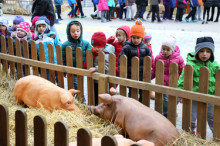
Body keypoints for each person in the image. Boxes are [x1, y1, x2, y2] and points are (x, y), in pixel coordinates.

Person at [178, 36, 220, 134]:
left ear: (212, 53)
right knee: (191, 116)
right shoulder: (191, 65)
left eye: (208, 51)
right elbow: (182, 80)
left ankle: (216, 135)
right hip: (194, 96)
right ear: (197, 52)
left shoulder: (215, 65)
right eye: (202, 51)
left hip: (210, 97)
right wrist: (181, 94)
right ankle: (190, 132)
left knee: (213, 117)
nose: (204, 54)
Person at [151, 35, 185, 117]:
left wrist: (181, 82)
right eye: (163, 49)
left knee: (175, 99)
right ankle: (167, 114)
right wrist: (150, 77)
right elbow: (155, 69)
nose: (165, 51)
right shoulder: (158, 58)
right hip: (163, 83)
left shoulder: (178, 59)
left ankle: (171, 110)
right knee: (165, 100)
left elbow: (182, 71)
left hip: (174, 84)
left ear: (172, 50)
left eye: (168, 50)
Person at [119, 20, 151, 102]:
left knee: (142, 93)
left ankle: (141, 106)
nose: (135, 40)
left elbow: (149, 59)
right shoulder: (127, 48)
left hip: (142, 76)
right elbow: (121, 60)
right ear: (130, 37)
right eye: (133, 37)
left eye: (138, 38)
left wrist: (148, 71)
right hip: (131, 75)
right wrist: (124, 72)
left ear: (142, 38)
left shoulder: (145, 48)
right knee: (132, 94)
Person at [84, 32, 115, 105]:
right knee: (94, 95)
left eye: (99, 47)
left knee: (103, 96)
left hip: (103, 79)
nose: (96, 49)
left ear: (103, 45)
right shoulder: (93, 52)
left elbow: (107, 66)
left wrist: (95, 69)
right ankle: (95, 109)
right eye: (94, 46)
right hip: (95, 79)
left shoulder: (107, 53)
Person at [62, 20, 92, 89]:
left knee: (80, 82)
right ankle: (80, 97)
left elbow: (91, 53)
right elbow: (63, 58)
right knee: (76, 84)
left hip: (82, 68)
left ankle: (78, 97)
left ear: (81, 31)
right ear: (69, 32)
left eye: (78, 31)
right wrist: (63, 69)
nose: (76, 33)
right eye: (73, 32)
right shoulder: (65, 45)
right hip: (72, 69)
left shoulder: (86, 44)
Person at [34, 16, 61, 82]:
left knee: (58, 78)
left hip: (54, 61)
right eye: (39, 26)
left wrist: (57, 55)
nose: (41, 28)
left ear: (47, 26)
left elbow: (59, 45)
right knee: (47, 79)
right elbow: (36, 51)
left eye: (43, 26)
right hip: (44, 62)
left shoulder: (52, 36)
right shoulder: (37, 39)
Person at [143, 32, 156, 99]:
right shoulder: (142, 47)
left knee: (148, 79)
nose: (148, 43)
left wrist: (153, 64)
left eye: (149, 42)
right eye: (146, 42)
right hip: (142, 66)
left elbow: (152, 56)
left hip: (148, 66)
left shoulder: (149, 47)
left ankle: (150, 92)